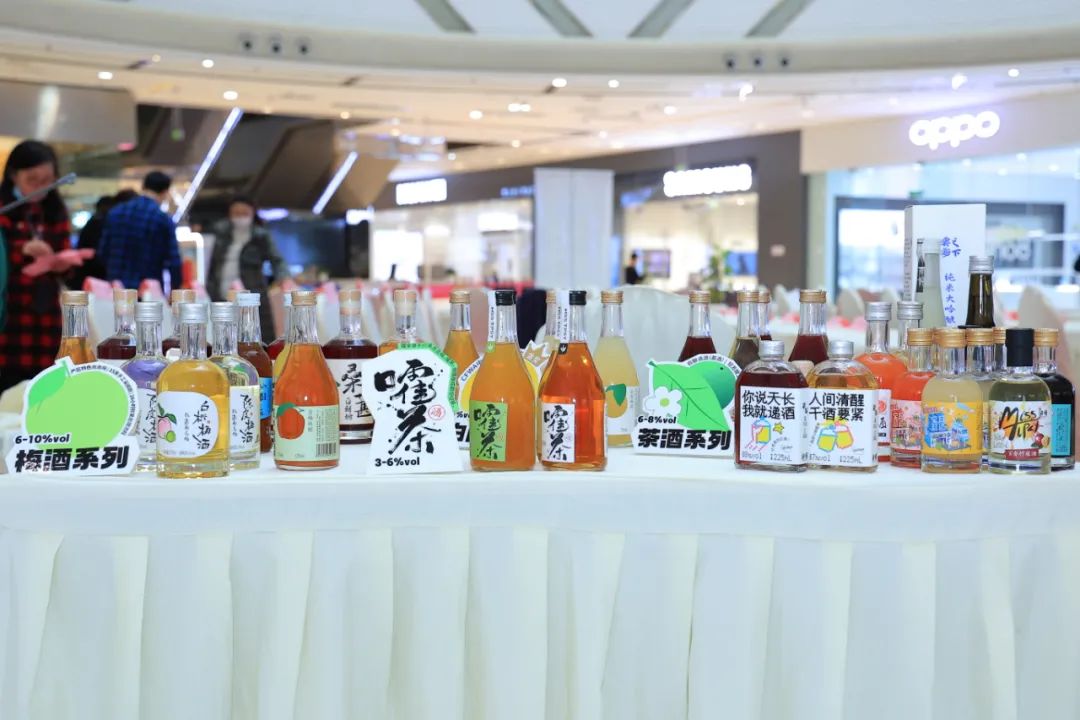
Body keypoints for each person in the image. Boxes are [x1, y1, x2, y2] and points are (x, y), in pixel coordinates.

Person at [0, 140, 75, 393]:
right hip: (10, 313)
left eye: (48, 180)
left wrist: (61, 263)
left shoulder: (55, 210)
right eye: (32, 180)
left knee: (44, 390)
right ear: (13, 175)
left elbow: (66, 260)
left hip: (46, 316)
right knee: (8, 389)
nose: (41, 187)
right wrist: (20, 250)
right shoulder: (4, 210)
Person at [206, 195, 288, 343]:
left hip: (253, 296)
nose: (240, 218)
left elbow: (277, 260)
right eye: (236, 213)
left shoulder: (260, 236)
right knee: (224, 340)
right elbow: (210, 265)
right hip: (221, 296)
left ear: (252, 213)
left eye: (244, 213)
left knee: (258, 340)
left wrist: (284, 278)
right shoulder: (219, 233)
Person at [98, 171, 181, 291]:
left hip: (116, 289)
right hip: (147, 291)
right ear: (165, 192)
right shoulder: (163, 220)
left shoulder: (115, 212)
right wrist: (176, 288)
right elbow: (174, 261)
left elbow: (103, 252)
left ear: (143, 187)